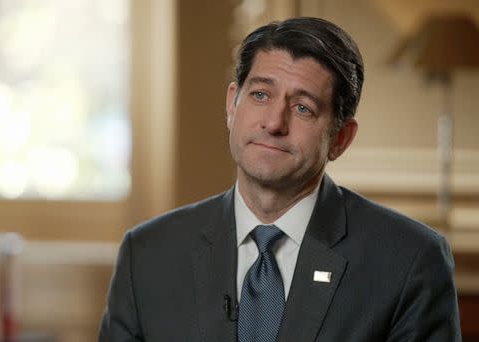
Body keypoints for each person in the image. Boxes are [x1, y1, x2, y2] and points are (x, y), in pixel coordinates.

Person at [99, 17, 461, 341]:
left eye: (303, 107)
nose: (273, 123)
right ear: (232, 105)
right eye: (260, 95)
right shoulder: (147, 255)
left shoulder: (409, 262)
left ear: (341, 138)